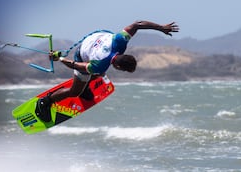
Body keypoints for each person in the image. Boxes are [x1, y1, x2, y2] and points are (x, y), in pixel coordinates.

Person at [35, 20, 179, 122]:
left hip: (97, 39)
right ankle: (45, 102)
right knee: (76, 91)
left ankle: (85, 85)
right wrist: (59, 59)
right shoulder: (99, 65)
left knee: (99, 73)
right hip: (82, 53)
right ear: (118, 67)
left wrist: (161, 28)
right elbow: (75, 65)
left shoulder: (120, 41)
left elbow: (137, 24)